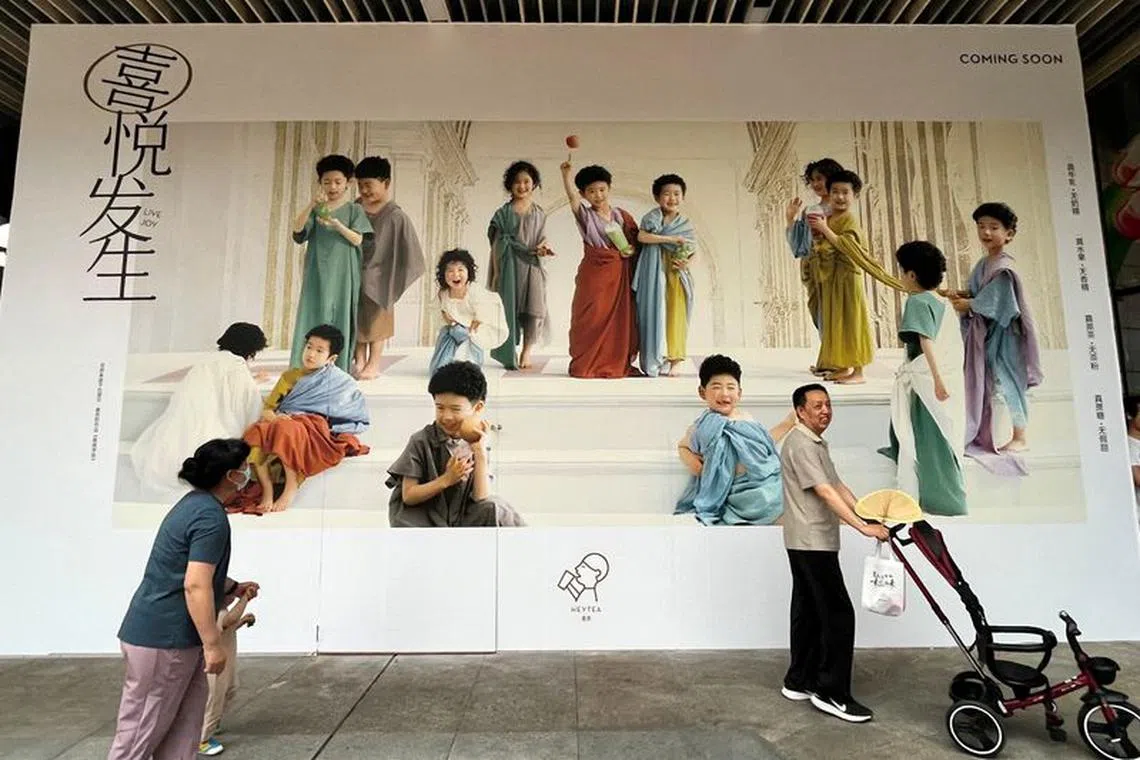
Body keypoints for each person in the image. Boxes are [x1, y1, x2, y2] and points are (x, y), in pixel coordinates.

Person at [107, 439, 260, 760]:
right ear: (231, 476)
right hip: (165, 638)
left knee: (184, 727)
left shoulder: (197, 506)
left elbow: (184, 568)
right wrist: (213, 644)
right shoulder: (209, 517)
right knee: (138, 736)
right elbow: (195, 585)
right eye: (245, 468)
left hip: (174, 638)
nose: (250, 472)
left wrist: (231, 587)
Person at [779, 384, 889, 724]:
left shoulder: (815, 443)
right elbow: (825, 492)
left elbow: (839, 486)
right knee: (838, 615)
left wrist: (867, 513)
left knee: (809, 611)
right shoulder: (800, 444)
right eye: (816, 406)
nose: (824, 411)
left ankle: (799, 680)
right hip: (812, 541)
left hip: (811, 540)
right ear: (799, 411)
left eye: (827, 404)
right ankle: (831, 693)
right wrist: (862, 527)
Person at [947, 202, 1042, 475]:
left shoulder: (1003, 267)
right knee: (985, 381)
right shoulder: (984, 263)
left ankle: (1020, 435)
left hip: (1006, 335)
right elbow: (980, 293)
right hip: (989, 333)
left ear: (1009, 234)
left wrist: (970, 305)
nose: (986, 232)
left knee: (1012, 382)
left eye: (993, 227)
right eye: (981, 226)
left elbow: (999, 303)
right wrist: (963, 294)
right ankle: (983, 429)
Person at [240, 324, 370, 514]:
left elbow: (349, 414)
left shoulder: (340, 381)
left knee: (290, 429)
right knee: (254, 432)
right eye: (309, 347)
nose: (311, 354)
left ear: (331, 358)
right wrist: (277, 418)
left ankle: (291, 486)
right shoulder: (290, 376)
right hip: (283, 421)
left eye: (319, 351)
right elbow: (268, 409)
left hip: (312, 429)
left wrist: (296, 421)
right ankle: (267, 490)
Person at [878, 242, 967, 517]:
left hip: (925, 377)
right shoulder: (939, 301)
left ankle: (941, 498)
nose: (902, 277)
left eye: (902, 272)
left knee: (927, 433)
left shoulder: (916, 301)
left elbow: (925, 340)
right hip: (932, 374)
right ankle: (899, 452)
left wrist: (937, 380)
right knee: (933, 429)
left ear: (912, 275)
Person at [130, 323, 268, 497]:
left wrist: (253, 381)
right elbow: (248, 405)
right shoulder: (237, 367)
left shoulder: (206, 362)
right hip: (215, 435)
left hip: (181, 432)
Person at [386, 361, 524, 527]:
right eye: (440, 408)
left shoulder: (478, 441)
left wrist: (479, 453)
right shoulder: (421, 441)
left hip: (462, 516)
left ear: (478, 408)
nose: (446, 416)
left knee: (496, 508)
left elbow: (481, 497)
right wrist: (446, 479)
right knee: (408, 519)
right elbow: (409, 495)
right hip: (427, 516)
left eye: (455, 409)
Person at [806, 169, 905, 384]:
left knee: (852, 321)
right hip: (832, 279)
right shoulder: (830, 217)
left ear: (854, 196)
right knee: (836, 322)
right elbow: (824, 245)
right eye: (835, 192)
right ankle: (843, 366)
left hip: (848, 278)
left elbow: (847, 246)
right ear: (829, 194)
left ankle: (859, 372)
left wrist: (825, 229)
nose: (840, 197)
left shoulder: (849, 219)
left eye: (845, 192)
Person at [675, 355, 794, 525]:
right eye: (716, 387)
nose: (724, 393)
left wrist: (788, 423)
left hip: (771, 480)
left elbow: (763, 443)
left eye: (730, 387)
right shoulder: (704, 427)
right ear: (702, 392)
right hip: (748, 495)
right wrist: (694, 463)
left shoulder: (747, 418)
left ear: (739, 393)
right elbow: (683, 446)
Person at [290, 154, 374, 374]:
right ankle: (304, 367)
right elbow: (298, 232)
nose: (332, 186)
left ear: (348, 183)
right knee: (313, 311)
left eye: (338, 181)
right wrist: (311, 204)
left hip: (345, 273)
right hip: (317, 271)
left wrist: (337, 226)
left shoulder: (354, 210)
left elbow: (358, 239)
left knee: (340, 314)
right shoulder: (317, 209)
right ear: (320, 183)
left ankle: (337, 369)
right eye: (327, 182)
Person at [560, 159, 640, 379]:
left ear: (609, 189)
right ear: (584, 194)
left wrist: (630, 250)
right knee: (590, 317)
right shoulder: (585, 216)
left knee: (619, 320)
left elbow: (637, 241)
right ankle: (586, 364)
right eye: (592, 191)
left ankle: (614, 362)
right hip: (594, 275)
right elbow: (571, 199)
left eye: (602, 189)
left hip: (619, 275)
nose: (598, 195)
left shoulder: (621, 216)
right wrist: (566, 176)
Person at [353, 156, 426, 380]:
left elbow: (410, 252)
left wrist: (392, 274)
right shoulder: (355, 209)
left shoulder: (396, 216)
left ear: (386, 183)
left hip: (382, 275)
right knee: (355, 317)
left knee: (377, 321)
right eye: (360, 185)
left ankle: (374, 363)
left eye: (369, 185)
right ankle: (359, 360)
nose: (364, 190)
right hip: (355, 270)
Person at [488, 160, 554, 370]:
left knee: (534, 308)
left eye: (527, 181)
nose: (522, 186)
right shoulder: (502, 213)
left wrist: (544, 247)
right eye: (517, 182)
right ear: (510, 185)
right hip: (509, 265)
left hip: (532, 265)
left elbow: (542, 237)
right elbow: (497, 244)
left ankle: (527, 350)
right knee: (509, 309)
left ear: (534, 184)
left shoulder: (539, 213)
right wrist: (497, 273)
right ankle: (510, 351)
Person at [634, 173, 696, 377]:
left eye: (677, 194)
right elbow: (642, 236)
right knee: (652, 313)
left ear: (682, 197)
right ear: (657, 197)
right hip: (652, 272)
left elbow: (692, 249)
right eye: (667, 194)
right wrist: (668, 238)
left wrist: (687, 262)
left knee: (675, 315)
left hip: (676, 272)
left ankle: (676, 359)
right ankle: (654, 357)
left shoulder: (685, 223)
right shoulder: (651, 218)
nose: (672, 198)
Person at [785, 158, 844, 357]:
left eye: (820, 178)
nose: (816, 184)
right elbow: (799, 246)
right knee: (818, 312)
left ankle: (838, 360)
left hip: (835, 268)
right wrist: (791, 219)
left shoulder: (841, 209)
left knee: (835, 313)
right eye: (812, 180)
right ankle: (828, 356)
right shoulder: (810, 210)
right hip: (812, 268)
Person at [198, 583, 257, 756]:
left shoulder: (221, 612)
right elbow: (229, 620)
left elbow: (227, 627)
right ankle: (202, 740)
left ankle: (212, 724)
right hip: (216, 665)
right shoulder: (214, 611)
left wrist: (243, 620)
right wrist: (245, 598)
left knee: (231, 690)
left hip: (227, 661)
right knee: (214, 699)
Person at [428, 249, 509, 375]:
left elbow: (484, 313)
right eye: (450, 270)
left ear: (468, 272)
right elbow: (440, 311)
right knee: (446, 340)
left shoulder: (474, 292)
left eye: (460, 270)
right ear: (443, 274)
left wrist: (472, 327)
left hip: (470, 333)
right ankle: (446, 365)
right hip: (453, 330)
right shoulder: (443, 294)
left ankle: (468, 363)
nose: (456, 274)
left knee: (465, 366)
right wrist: (450, 321)